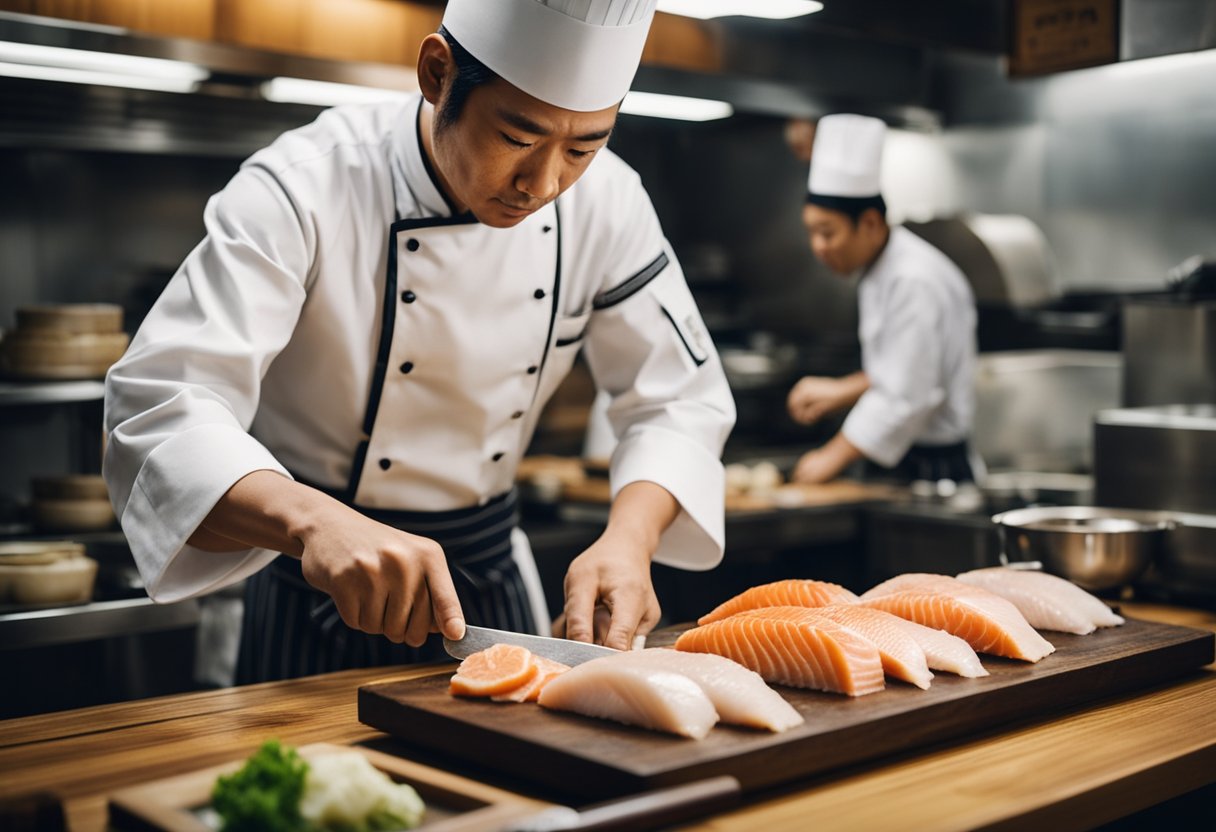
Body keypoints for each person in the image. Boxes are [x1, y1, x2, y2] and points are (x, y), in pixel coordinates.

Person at [102, 0, 735, 684]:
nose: (544, 185)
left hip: (485, 588)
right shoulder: (305, 185)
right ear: (438, 74)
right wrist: (315, 523)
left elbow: (678, 399)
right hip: (308, 585)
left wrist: (630, 539)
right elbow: (161, 408)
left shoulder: (609, 202)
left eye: (584, 148)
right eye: (519, 139)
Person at [786, 114, 977, 486]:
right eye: (811, 233)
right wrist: (842, 390)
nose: (818, 248)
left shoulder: (912, 280)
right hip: (905, 460)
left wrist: (830, 457)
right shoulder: (883, 269)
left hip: (930, 471)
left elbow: (908, 395)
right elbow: (905, 363)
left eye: (828, 233)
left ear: (870, 224)